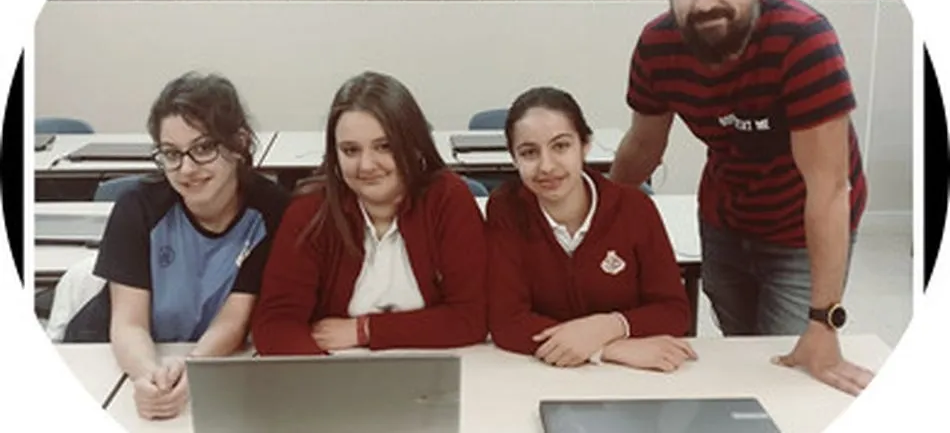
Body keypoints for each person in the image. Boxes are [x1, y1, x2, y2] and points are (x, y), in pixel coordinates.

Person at [609, 0, 874, 395]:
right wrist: (593, 216)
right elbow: (642, 147)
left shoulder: (803, 39)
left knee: (792, 368)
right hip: (726, 218)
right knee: (745, 353)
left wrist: (824, 321)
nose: (704, 2)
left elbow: (828, 189)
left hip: (801, 230)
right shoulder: (658, 45)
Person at [84, 72, 290, 419]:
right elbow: (129, 323)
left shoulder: (273, 212)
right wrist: (149, 377)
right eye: (171, 154)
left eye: (203, 148)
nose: (186, 169)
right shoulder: (137, 208)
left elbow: (235, 319)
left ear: (239, 144)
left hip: (208, 360)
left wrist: (192, 368)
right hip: (115, 355)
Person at [251, 71, 488, 355]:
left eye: (384, 147)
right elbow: (275, 324)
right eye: (350, 150)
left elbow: (471, 318)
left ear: (414, 147)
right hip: (338, 368)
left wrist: (365, 330)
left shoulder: (447, 198)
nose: (366, 165)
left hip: (435, 364)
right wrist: (323, 374)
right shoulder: (310, 211)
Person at [486, 86, 695, 372]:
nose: (546, 166)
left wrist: (608, 325)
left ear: (585, 145)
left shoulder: (634, 208)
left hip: (631, 378)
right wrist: (606, 349)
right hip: (544, 374)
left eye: (561, 146)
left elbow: (673, 312)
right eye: (529, 152)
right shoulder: (506, 210)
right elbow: (508, 322)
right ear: (514, 158)